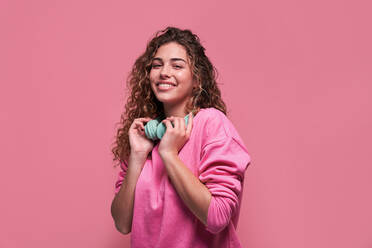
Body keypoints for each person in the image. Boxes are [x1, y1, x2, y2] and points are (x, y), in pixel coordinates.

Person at [110, 26, 251, 248]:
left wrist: (169, 154)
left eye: (177, 65)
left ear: (197, 80)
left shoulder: (211, 124)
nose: (164, 72)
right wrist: (137, 157)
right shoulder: (147, 134)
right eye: (157, 65)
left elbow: (217, 217)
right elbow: (122, 223)